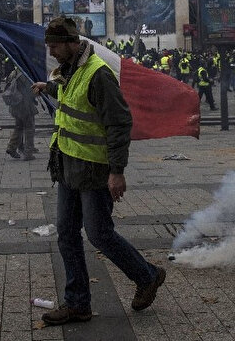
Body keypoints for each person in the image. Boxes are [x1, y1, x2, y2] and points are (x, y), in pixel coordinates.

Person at [32, 17, 165, 326]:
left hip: (93, 170)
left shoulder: (98, 74)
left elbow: (119, 124)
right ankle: (77, 304)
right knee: (66, 234)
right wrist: (48, 87)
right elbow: (71, 96)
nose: (50, 51)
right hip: (66, 165)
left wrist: (117, 171)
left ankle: (147, 276)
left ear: (70, 43)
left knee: (99, 234)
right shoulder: (69, 70)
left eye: (54, 45)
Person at [3, 68, 38, 160]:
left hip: (15, 105)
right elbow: (29, 92)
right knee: (29, 129)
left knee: (19, 127)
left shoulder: (13, 72)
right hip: (24, 106)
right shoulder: (25, 74)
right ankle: (28, 153)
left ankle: (11, 147)